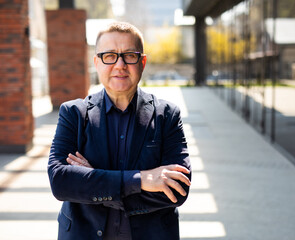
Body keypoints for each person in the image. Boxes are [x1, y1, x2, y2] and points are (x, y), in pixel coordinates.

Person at [48, 22, 191, 240]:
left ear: (142, 62)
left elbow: (178, 189)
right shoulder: (73, 113)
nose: (120, 64)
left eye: (129, 55)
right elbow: (61, 182)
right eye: (109, 56)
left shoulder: (167, 115)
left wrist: (93, 180)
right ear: (96, 62)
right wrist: (141, 180)